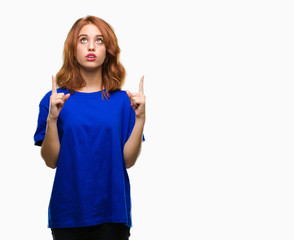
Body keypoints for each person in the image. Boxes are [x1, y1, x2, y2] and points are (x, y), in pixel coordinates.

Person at [33, 15, 145, 240]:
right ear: (73, 48)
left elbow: (128, 161)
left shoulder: (125, 101)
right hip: (67, 214)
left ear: (108, 51)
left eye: (99, 40)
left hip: (112, 213)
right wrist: (52, 119)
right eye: (83, 40)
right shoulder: (54, 99)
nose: (91, 46)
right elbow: (50, 161)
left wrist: (140, 119)